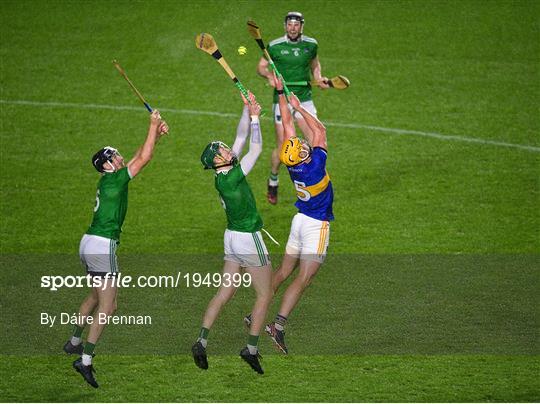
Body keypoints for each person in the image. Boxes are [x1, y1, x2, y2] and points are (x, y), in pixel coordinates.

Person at [63, 111, 168, 388]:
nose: (120, 158)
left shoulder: (112, 178)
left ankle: (74, 341)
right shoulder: (116, 179)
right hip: (102, 245)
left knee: (96, 296)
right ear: (107, 166)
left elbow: (139, 156)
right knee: (109, 306)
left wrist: (155, 134)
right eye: (115, 157)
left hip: (88, 243)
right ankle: (84, 360)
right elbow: (143, 159)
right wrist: (152, 124)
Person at [245, 74, 333, 354]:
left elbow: (286, 125)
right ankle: (277, 326)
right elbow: (320, 130)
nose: (306, 145)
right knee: (303, 278)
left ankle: (256, 312)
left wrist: (283, 95)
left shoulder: (291, 159)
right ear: (304, 155)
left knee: (284, 270)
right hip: (316, 225)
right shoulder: (315, 163)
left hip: (298, 222)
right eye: (305, 148)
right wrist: (301, 107)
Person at [192, 92, 272, 375]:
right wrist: (255, 119)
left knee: (225, 291)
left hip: (231, 238)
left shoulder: (222, 175)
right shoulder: (234, 176)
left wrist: (246, 110)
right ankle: (250, 349)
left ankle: (201, 340)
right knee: (265, 293)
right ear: (217, 161)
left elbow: (239, 140)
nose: (227, 150)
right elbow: (256, 149)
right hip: (248, 237)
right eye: (222, 151)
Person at [257, 11, 329, 205]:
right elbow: (262, 67)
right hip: (283, 98)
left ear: (301, 26)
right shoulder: (274, 46)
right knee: (284, 148)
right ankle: (273, 179)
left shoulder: (311, 45)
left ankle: (314, 182)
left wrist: (318, 78)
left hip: (304, 97)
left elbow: (315, 65)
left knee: (315, 139)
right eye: (290, 24)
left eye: (296, 24)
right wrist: (270, 78)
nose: (293, 27)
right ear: (285, 26)